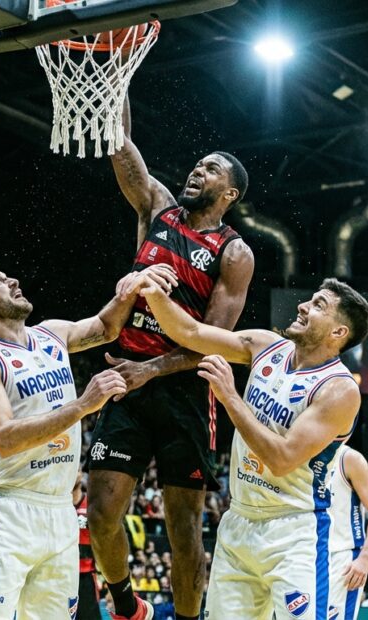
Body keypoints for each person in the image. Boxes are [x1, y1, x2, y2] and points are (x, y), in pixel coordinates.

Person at [91, 96, 255, 620]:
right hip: (125, 382)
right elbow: (121, 147)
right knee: (99, 514)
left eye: (209, 168)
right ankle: (124, 603)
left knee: (184, 531)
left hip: (183, 391)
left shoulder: (233, 253)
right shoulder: (156, 208)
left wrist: (150, 370)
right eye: (196, 162)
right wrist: (117, 79)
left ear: (227, 193)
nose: (196, 170)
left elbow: (212, 341)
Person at [0, 259, 177, 620]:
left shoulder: (51, 334)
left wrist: (133, 287)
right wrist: (83, 405)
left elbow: (105, 326)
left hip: (60, 512)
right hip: (8, 511)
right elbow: (4, 439)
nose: (13, 279)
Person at [137, 277, 368, 619]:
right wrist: (151, 292)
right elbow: (190, 333)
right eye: (311, 299)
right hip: (240, 522)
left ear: (338, 333)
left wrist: (230, 398)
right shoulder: (266, 345)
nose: (303, 306)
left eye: (319, 305)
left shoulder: (338, 390)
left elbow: (282, 459)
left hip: (295, 534)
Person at [327, 446, 368, 620]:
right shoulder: (300, 453)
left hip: (341, 558)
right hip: (306, 554)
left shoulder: (349, 458)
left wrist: (365, 557)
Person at [74, 472, 101, 620]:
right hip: (59, 572)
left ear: (81, 475)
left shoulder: (91, 505)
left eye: (77, 470)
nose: (73, 473)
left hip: (86, 576)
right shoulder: (57, 505)